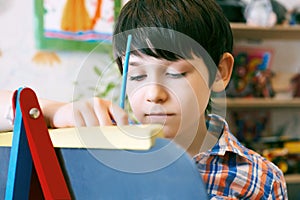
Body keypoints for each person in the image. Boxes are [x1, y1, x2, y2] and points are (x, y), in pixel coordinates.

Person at [0, 0, 287, 199]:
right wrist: (53, 112)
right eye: (137, 77)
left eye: (175, 73)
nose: (153, 94)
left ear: (220, 72)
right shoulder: (99, 152)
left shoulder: (262, 178)